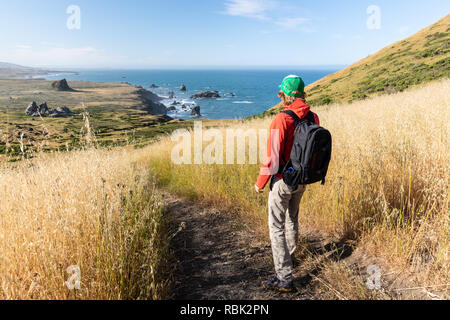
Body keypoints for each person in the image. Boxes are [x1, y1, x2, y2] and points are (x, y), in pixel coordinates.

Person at [255, 75, 320, 292]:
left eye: (282, 93)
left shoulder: (281, 119)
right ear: (302, 93)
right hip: (303, 179)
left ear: (286, 94)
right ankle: (290, 260)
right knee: (292, 219)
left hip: (283, 180)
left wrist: (260, 183)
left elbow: (272, 158)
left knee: (276, 227)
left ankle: (284, 277)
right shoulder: (313, 117)